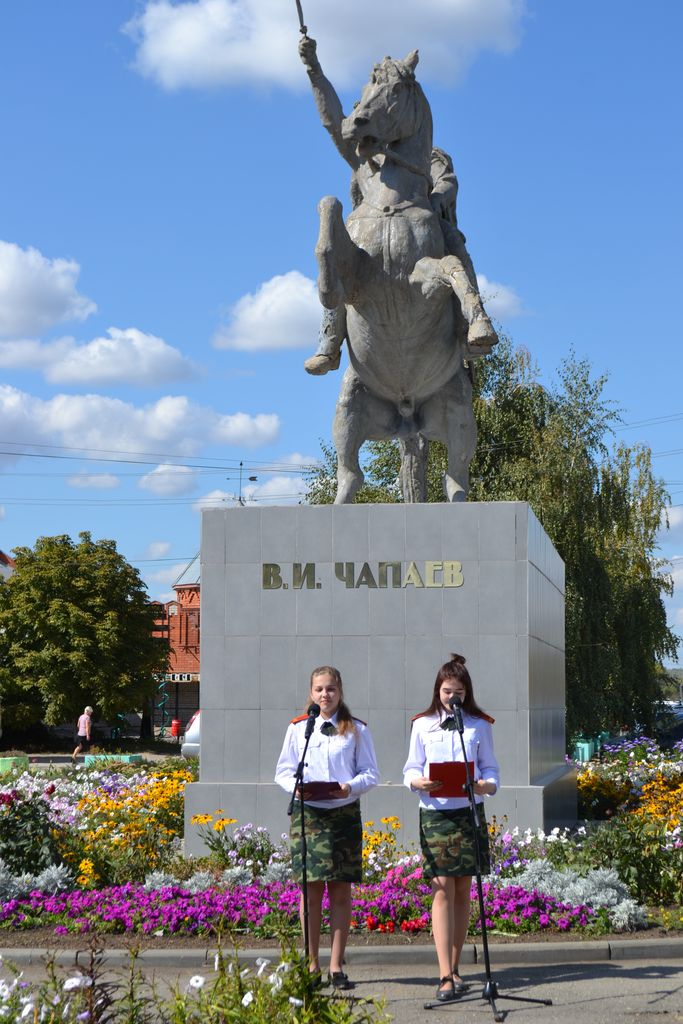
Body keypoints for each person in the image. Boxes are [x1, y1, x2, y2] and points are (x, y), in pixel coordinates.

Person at [298, 33, 498, 375]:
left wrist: (437, 197)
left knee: (453, 245)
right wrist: (314, 69)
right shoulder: (365, 163)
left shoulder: (430, 156)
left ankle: (469, 323)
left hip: (423, 214)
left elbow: (447, 179)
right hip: (369, 230)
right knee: (336, 248)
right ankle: (331, 336)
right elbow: (333, 119)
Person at [275, 666, 379, 989]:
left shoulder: (356, 729)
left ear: (340, 691)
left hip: (342, 816)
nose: (325, 695)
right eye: (319, 689)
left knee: (340, 892)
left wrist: (349, 787)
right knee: (310, 892)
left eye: (331, 689)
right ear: (311, 693)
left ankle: (336, 965)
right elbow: (283, 771)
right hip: (309, 817)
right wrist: (298, 787)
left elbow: (371, 773)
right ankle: (311, 964)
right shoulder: (298, 729)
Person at [403, 654, 499, 1003]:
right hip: (436, 814)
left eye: (458, 691)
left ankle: (457, 967)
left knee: (462, 891)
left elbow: (492, 771)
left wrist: (484, 785)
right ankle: (444, 974)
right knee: (441, 889)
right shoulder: (422, 724)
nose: (452, 698)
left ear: (466, 692)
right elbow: (409, 769)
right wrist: (419, 782)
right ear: (437, 691)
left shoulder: (478, 724)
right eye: (446, 691)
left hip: (468, 811)